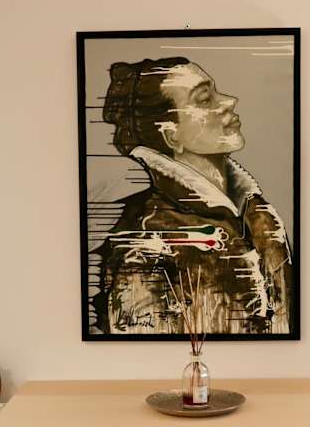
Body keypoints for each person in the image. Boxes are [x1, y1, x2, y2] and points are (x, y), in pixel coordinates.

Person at [92, 57, 293, 335]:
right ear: (171, 135)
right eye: (205, 99)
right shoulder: (146, 244)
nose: (229, 101)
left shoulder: (259, 215)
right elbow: (143, 352)